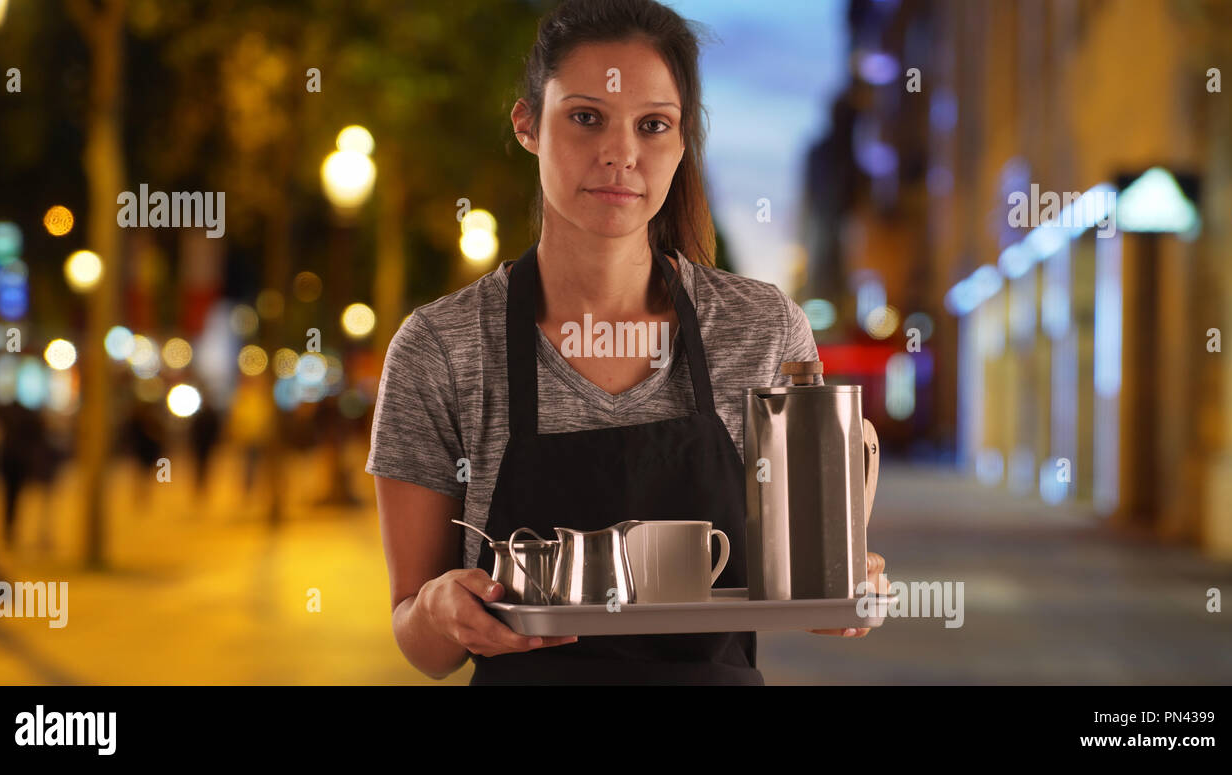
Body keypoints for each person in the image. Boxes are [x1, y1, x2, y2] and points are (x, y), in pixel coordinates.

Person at [367, 0, 887, 686]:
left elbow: (811, 580)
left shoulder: (762, 329)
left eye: (654, 125)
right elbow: (423, 643)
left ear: (683, 140)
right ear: (528, 123)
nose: (620, 153)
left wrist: (846, 585)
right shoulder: (439, 348)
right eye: (586, 117)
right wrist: (436, 610)